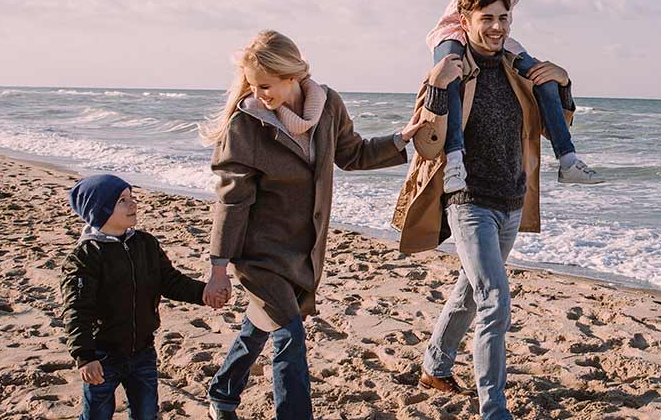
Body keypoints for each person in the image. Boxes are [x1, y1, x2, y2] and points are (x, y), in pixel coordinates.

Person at [199, 30, 434, 420]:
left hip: (304, 250)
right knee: (289, 335)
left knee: (261, 325)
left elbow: (352, 154)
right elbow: (232, 201)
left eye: (266, 86)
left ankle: (222, 395)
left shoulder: (327, 107)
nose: (260, 95)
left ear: (292, 74)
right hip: (258, 253)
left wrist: (400, 139)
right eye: (254, 86)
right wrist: (218, 268)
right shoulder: (246, 125)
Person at [355, 0, 615, 193]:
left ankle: (568, 160)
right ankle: (454, 159)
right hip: (456, 27)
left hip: (499, 36)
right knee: (449, 71)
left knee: (545, 78)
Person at [392, 0, 577, 420]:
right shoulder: (452, 68)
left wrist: (563, 84)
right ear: (466, 21)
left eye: (503, 18)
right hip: (468, 200)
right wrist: (437, 88)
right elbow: (429, 143)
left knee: (470, 293)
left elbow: (551, 127)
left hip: (512, 200)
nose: (496, 27)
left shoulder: (518, 68)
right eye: (486, 18)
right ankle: (494, 409)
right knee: (495, 297)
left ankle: (434, 366)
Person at [61, 174, 222, 420]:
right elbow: (77, 310)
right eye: (122, 200)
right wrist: (84, 356)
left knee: (146, 414)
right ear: (99, 210)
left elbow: (170, 281)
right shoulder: (86, 256)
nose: (133, 204)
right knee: (96, 415)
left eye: (132, 197)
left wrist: (203, 293)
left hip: (142, 352)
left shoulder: (145, 243)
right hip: (102, 355)